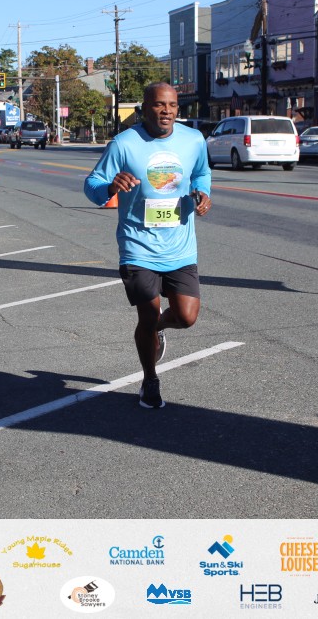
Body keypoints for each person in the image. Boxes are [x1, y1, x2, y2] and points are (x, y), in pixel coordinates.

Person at [83, 82, 212, 409]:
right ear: (144, 109)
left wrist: (202, 193)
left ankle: (159, 329)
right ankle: (150, 379)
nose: (166, 111)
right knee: (148, 313)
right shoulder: (124, 144)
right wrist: (111, 186)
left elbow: (201, 173)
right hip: (138, 246)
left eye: (172, 105)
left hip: (180, 246)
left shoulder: (193, 140)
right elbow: (92, 184)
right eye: (158, 105)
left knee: (186, 317)